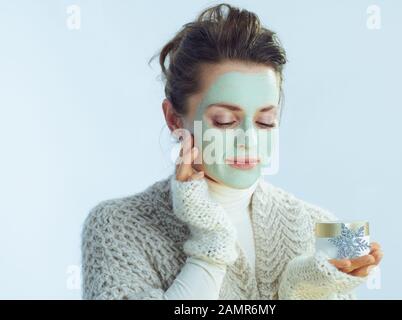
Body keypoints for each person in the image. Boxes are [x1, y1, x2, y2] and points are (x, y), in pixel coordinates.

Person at [81, 3, 383, 300]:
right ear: (174, 119)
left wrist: (303, 289)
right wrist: (211, 243)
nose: (249, 140)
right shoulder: (115, 225)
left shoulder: (320, 225)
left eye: (266, 121)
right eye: (224, 121)